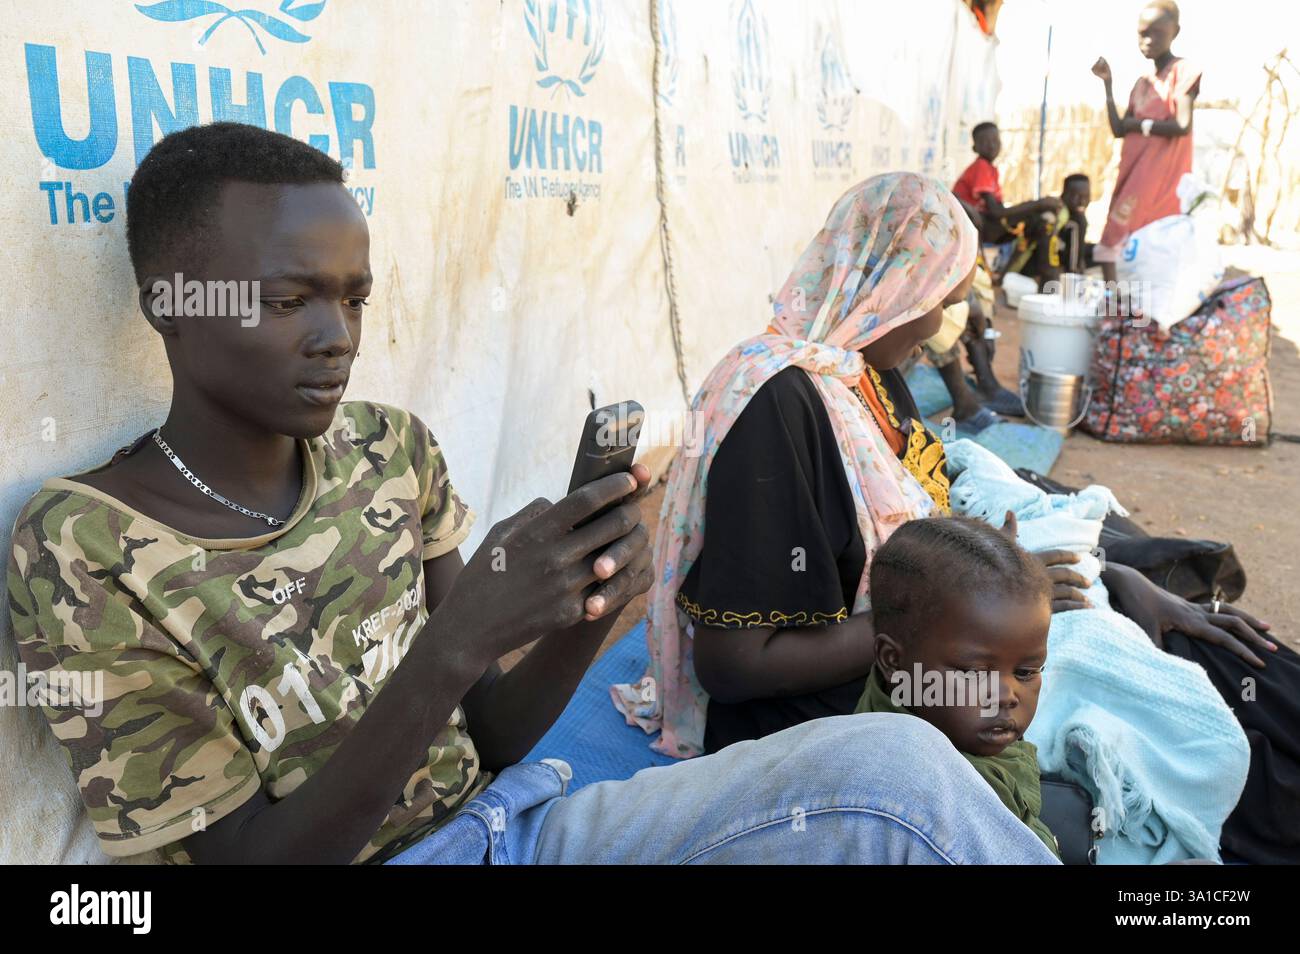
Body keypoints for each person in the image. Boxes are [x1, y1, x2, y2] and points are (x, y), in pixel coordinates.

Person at [6, 123, 1060, 866]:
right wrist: (455, 643)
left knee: (895, 763)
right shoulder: (85, 548)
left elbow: (494, 740)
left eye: (354, 298)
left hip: (515, 825)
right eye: (289, 300)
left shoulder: (388, 451)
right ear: (170, 302)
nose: (335, 336)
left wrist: (579, 610)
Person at [613, 171, 1299, 865]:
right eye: (938, 298)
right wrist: (947, 611)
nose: (941, 323)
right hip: (843, 707)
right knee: (1190, 704)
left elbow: (926, 522)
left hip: (940, 642)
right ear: (891, 285)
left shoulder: (861, 375)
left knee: (1200, 649)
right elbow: (733, 666)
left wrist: (1094, 577)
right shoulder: (776, 405)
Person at [854, 515, 1058, 857]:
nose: (1006, 697)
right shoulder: (942, 802)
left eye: (1026, 672)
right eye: (975, 673)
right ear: (892, 660)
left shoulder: (924, 703)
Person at [1091, 1, 1201, 282]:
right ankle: (1116, 307)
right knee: (1117, 243)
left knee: (1129, 239)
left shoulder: (1183, 71)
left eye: (1157, 33)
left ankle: (1127, 311)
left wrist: (1140, 125)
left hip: (1159, 173)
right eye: (1142, 33)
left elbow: (1181, 125)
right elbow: (1119, 129)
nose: (1148, 40)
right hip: (1133, 169)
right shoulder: (1142, 83)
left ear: (1175, 32)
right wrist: (1107, 84)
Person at [952, 122, 1062, 247]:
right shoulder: (981, 166)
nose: (992, 145)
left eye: (995, 140)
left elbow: (999, 209)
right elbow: (996, 212)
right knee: (1039, 219)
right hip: (976, 225)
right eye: (985, 142)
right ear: (975, 148)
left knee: (1038, 216)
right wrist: (1038, 204)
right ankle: (1030, 264)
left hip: (983, 223)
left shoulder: (989, 169)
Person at [1007, 173, 1094, 288]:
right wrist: (1073, 276)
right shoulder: (1070, 220)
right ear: (1064, 194)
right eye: (1076, 196)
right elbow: (1072, 262)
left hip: (1028, 266)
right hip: (1034, 270)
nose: (1082, 201)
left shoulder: (1061, 211)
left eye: (1086, 196)